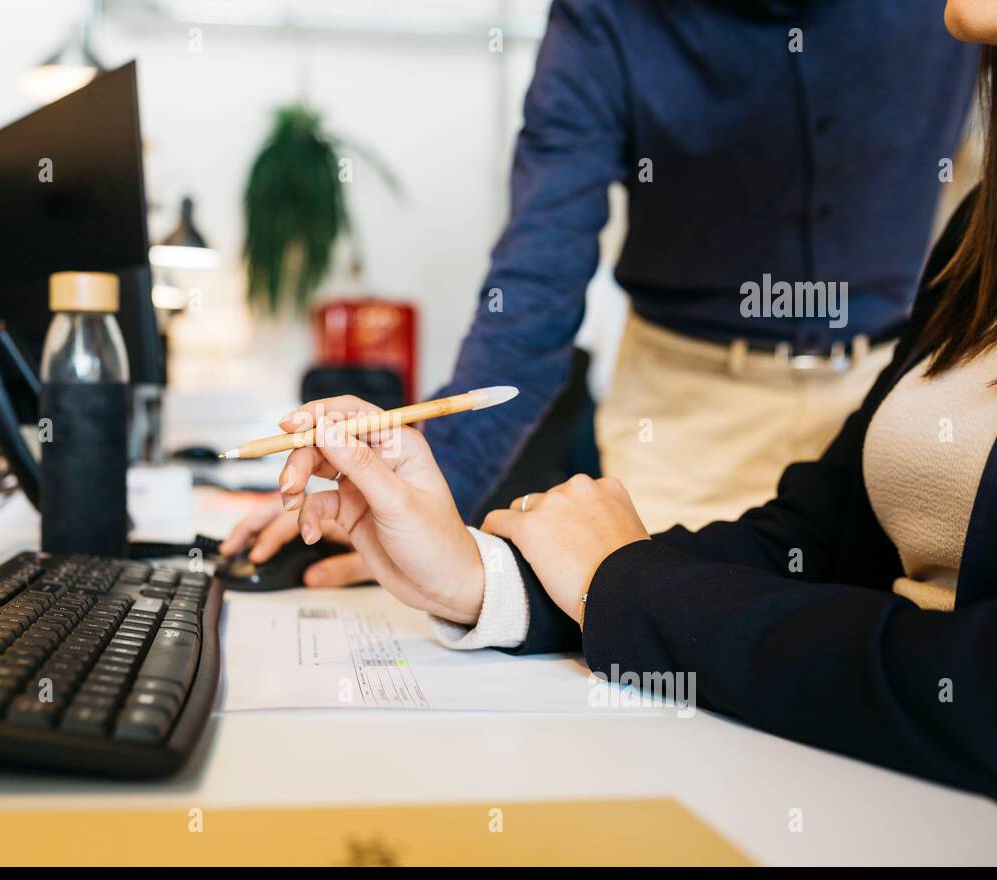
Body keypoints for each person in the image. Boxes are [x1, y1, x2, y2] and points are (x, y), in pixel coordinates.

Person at [268, 0, 997, 800]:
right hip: (700, 405)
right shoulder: (609, 17)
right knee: (656, 754)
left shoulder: (944, 22)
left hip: (893, 375)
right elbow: (535, 291)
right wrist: (471, 561)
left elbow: (942, 684)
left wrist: (625, 582)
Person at [223, 0, 977, 586]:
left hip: (891, 405)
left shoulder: (952, 10)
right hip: (685, 421)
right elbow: (537, 272)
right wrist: (424, 495)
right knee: (652, 680)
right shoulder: (607, 15)